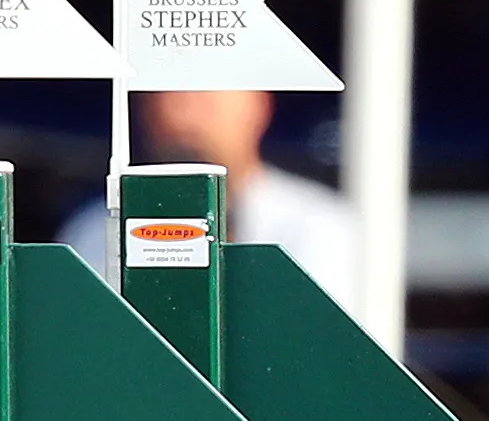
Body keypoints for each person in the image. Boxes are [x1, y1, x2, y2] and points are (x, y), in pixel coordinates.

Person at [54, 88, 361, 306]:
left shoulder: (322, 227)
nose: (180, 112)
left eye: (203, 94)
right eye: (165, 92)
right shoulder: (96, 231)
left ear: (257, 103)